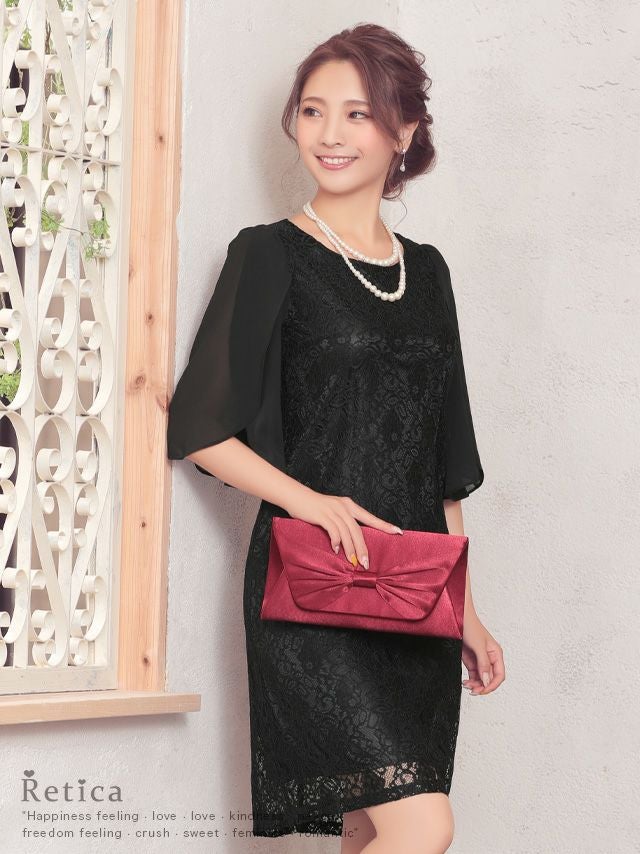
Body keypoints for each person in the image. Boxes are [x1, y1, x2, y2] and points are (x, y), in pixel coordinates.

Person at [167, 22, 505, 854]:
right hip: (312, 585)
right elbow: (200, 427)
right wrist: (313, 504)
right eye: (313, 110)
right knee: (423, 827)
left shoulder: (429, 273)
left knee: (369, 830)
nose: (329, 133)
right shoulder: (269, 255)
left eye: (357, 113)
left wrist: (463, 609)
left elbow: (445, 465)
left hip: (412, 591)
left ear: (403, 131)